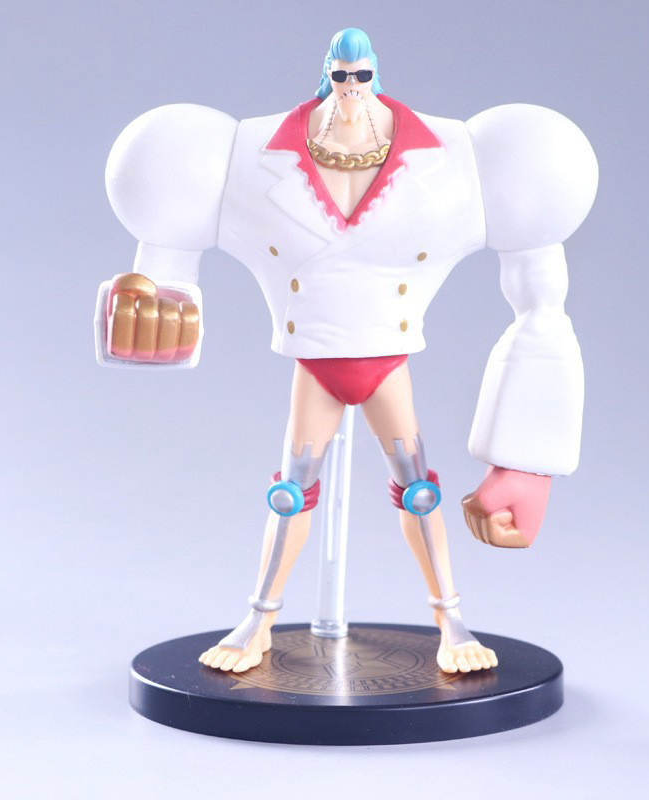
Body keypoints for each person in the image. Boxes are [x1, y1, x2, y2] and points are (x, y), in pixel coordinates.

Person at [95, 28, 598, 674]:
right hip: (317, 358)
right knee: (288, 493)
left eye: (361, 76)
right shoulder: (244, 154)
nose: (352, 88)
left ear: (375, 75)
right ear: (327, 76)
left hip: (387, 359)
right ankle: (259, 619)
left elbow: (542, 307)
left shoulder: (460, 160)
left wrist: (525, 463)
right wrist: (157, 290)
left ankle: (451, 622)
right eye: (341, 76)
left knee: (419, 493)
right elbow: (167, 236)